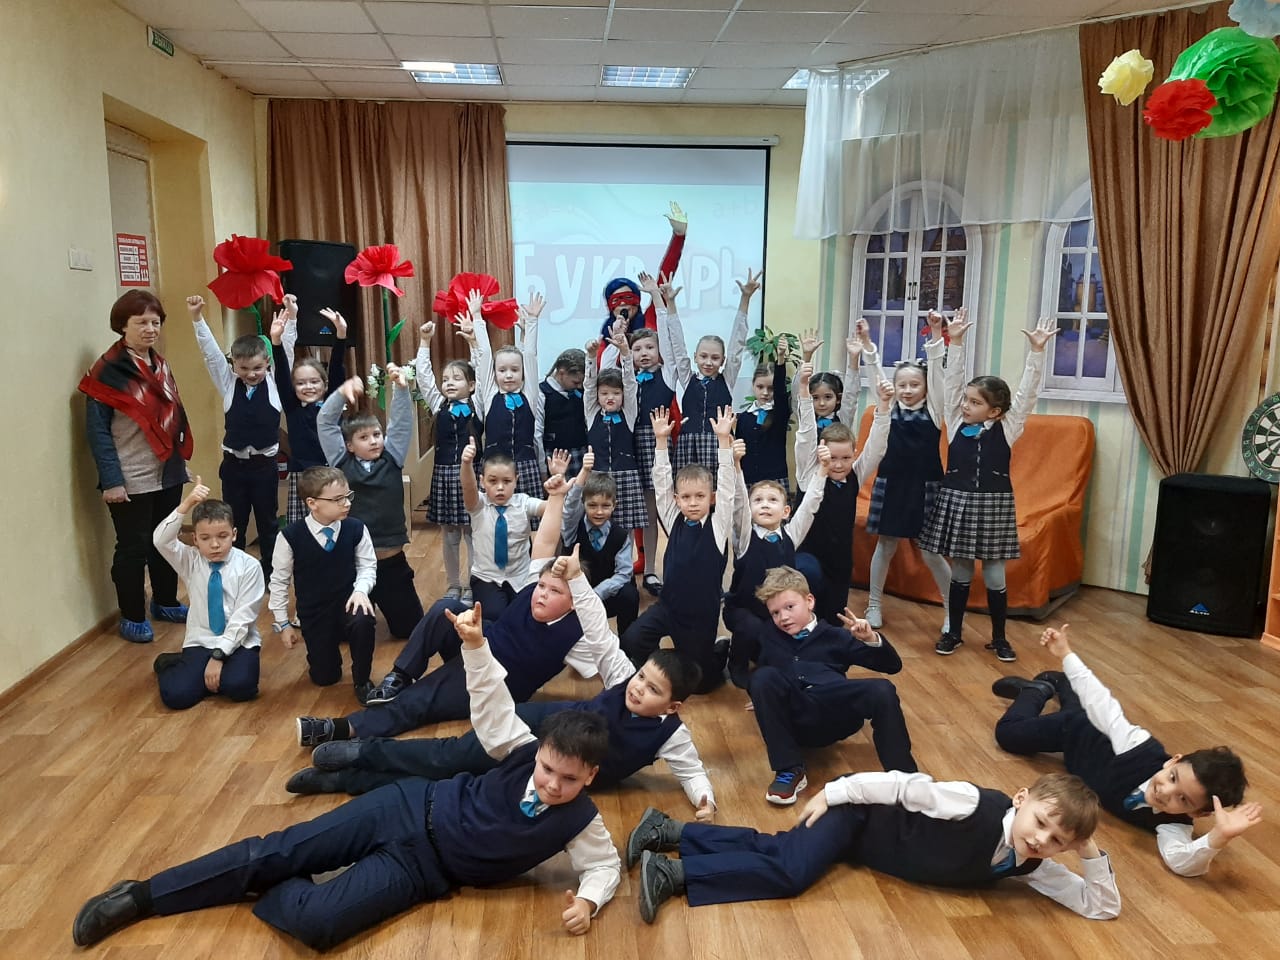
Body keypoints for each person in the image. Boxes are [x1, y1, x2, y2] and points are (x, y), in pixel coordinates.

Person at [71, 603, 621, 951]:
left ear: (590, 777)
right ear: (540, 752)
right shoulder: (519, 748)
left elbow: (603, 865)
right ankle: (142, 896)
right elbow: (493, 702)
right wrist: (475, 647)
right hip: (407, 806)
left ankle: (264, 875)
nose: (552, 784)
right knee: (277, 849)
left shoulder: (580, 821)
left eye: (568, 780)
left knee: (318, 923)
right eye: (548, 769)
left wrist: (589, 902)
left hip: (422, 870)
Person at [299, 474, 634, 742]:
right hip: (481, 640)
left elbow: (617, 673)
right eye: (542, 586)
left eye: (555, 591)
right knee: (444, 608)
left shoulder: (580, 636)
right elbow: (546, 540)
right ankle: (400, 675)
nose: (541, 594)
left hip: (494, 680)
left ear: (575, 601)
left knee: (423, 699)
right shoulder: (535, 584)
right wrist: (558, 496)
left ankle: (342, 729)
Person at [627, 770, 1121, 925]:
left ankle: (670, 832)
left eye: (1058, 841)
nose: (1041, 839)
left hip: (864, 846)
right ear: (1021, 799)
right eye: (1041, 823)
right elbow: (904, 786)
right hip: (857, 813)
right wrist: (834, 792)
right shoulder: (975, 803)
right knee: (791, 872)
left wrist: (1088, 849)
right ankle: (674, 875)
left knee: (780, 849)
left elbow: (1100, 906)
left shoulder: (1030, 865)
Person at [286, 648, 716, 822]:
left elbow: (691, 770)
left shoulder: (671, 735)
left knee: (455, 785)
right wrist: (574, 578)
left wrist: (704, 798)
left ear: (673, 706)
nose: (639, 689)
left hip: (554, 772)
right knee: (449, 756)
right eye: (642, 677)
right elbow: (598, 628)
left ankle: (346, 780)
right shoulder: (622, 676)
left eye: (653, 690)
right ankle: (364, 751)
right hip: (534, 728)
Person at [993, 623, 1261, 877]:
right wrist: (1066, 653)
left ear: (1198, 814)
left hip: (1082, 753)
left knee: (1078, 704)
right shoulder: (1140, 747)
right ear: (1173, 761)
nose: (1166, 791)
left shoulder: (1174, 824)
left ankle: (1058, 683)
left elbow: (1179, 861)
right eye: (1173, 777)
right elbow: (1101, 704)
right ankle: (1036, 691)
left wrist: (1218, 838)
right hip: (1076, 730)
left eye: (1183, 800)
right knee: (1009, 734)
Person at [917, 313, 1057, 661]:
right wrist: (956, 342)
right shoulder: (954, 420)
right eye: (966, 400)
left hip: (994, 505)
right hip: (957, 501)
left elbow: (1026, 394)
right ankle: (954, 632)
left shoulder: (1008, 428)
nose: (965, 405)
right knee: (961, 570)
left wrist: (1037, 352)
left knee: (994, 574)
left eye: (975, 402)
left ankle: (999, 638)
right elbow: (952, 383)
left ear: (995, 412)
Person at [734, 566, 917, 805]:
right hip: (796, 717)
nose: (783, 617)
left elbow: (892, 666)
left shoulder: (836, 636)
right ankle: (789, 770)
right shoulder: (769, 635)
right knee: (762, 676)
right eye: (775, 613)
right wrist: (764, 696)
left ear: (809, 601)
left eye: (789, 607)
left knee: (882, 689)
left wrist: (871, 639)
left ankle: (905, 777)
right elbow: (765, 673)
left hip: (834, 711)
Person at [79, 290, 193, 643]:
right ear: (122, 326)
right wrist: (112, 481)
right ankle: (132, 615)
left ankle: (165, 601)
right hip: (130, 477)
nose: (150, 329)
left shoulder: (161, 365)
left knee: (166, 540)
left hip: (167, 471)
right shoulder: (106, 373)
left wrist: (179, 463)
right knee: (133, 547)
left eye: (155, 322)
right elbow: (98, 433)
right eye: (141, 322)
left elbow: (173, 417)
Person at [621, 405, 736, 693]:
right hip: (669, 607)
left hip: (700, 616)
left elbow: (727, 487)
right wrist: (661, 441)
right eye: (686, 497)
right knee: (632, 640)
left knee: (702, 684)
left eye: (700, 496)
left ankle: (720, 649)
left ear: (711, 498)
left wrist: (724, 442)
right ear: (677, 499)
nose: (693, 502)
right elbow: (661, 484)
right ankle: (664, 666)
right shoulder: (674, 520)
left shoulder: (718, 525)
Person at [859, 312, 950, 632]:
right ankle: (873, 605)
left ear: (925, 387)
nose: (908, 390)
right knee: (885, 545)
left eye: (915, 384)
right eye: (902, 385)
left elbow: (937, 371)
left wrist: (936, 335)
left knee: (931, 552)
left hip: (926, 486)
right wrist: (867, 343)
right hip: (892, 484)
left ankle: (952, 610)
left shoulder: (935, 410)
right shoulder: (887, 407)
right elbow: (875, 374)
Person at [318, 367, 423, 640]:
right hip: (353, 564)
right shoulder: (340, 462)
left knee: (410, 630)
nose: (374, 441)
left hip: (391, 564)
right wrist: (341, 394)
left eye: (377, 434)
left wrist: (401, 389)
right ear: (349, 446)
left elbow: (401, 423)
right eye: (364, 438)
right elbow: (325, 423)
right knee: (346, 633)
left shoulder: (392, 457)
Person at [188, 294, 282, 581]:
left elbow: (286, 353)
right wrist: (197, 318)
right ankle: (234, 574)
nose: (251, 374)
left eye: (257, 368)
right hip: (234, 468)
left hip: (264, 468)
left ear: (267, 363)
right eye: (244, 369)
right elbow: (211, 355)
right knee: (234, 521)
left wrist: (284, 328)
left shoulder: (275, 384)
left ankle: (270, 574)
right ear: (233, 366)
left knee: (267, 523)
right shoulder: (229, 384)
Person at [721, 433, 827, 685]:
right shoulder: (745, 537)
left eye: (772, 500)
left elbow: (810, 504)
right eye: (758, 501)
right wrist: (736, 465)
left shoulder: (791, 535)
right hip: (742, 611)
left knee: (781, 647)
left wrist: (823, 470)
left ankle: (762, 652)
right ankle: (736, 662)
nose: (765, 505)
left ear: (786, 511)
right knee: (751, 628)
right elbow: (739, 504)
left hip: (775, 614)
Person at [269, 466, 377, 704]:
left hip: (348, 603)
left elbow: (368, 566)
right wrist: (283, 623)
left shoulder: (356, 528)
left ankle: (362, 679)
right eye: (338, 499)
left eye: (348, 496)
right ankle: (324, 655)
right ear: (312, 503)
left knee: (363, 620)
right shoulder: (290, 536)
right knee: (325, 677)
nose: (346, 503)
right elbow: (279, 581)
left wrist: (361, 591)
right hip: (315, 612)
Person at [151, 480, 264, 709]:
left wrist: (219, 656)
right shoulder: (190, 560)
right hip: (201, 640)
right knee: (176, 696)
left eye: (222, 536)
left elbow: (243, 618)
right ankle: (175, 665)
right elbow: (160, 540)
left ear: (234, 534)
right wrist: (187, 503)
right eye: (205, 538)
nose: (214, 545)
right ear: (194, 539)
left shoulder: (249, 566)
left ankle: (199, 672)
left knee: (240, 687)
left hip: (239, 641)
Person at [792, 380, 894, 626]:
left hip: (840, 559)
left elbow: (877, 447)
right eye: (833, 458)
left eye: (846, 458)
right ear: (821, 454)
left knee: (834, 618)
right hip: (807, 555)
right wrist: (804, 392)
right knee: (807, 605)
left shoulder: (855, 475)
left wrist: (883, 405)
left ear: (854, 455)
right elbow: (805, 436)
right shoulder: (810, 475)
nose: (838, 465)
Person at [414, 315, 482, 601]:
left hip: (472, 476)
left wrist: (474, 343)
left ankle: (473, 584)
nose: (449, 383)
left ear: (472, 385)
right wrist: (424, 342)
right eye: (446, 379)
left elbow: (483, 371)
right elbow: (424, 377)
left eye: (457, 378)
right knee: (450, 534)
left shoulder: (479, 404)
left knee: (473, 534)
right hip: (444, 476)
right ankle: (454, 584)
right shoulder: (439, 404)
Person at [458, 439, 560, 620]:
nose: (500, 487)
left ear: (516, 481)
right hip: (486, 577)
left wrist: (557, 487)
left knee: (525, 616)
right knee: (494, 615)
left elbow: (551, 509)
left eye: (507, 481)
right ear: (482, 481)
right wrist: (466, 464)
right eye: (492, 481)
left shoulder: (523, 502)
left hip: (520, 577)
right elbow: (468, 487)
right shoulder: (478, 505)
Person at [668, 270, 756, 473]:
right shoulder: (688, 378)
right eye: (703, 356)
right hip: (688, 444)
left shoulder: (727, 379)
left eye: (715, 358)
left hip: (718, 443)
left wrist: (745, 299)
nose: (708, 362)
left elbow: (737, 344)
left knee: (719, 488)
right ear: (695, 357)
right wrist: (670, 304)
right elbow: (678, 346)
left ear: (723, 360)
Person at [271, 296, 349, 524]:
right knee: (302, 529)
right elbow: (282, 376)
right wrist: (276, 342)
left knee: (334, 524)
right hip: (302, 475)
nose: (308, 387)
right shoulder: (293, 406)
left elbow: (337, 369)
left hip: (331, 472)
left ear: (325, 385)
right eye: (301, 383)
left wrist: (341, 334)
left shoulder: (332, 405)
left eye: (314, 382)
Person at [632, 273, 684, 595]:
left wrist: (657, 299)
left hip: (658, 446)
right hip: (631, 447)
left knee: (659, 511)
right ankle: (635, 568)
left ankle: (657, 570)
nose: (644, 352)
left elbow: (670, 341)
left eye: (650, 347)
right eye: (638, 348)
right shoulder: (626, 378)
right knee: (635, 516)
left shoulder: (666, 375)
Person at [471, 291, 546, 497]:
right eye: (502, 370)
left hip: (525, 466)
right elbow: (485, 354)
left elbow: (530, 355)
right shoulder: (490, 394)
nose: (509, 375)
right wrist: (477, 316)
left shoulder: (529, 394)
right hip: (494, 468)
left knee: (529, 515)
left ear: (523, 373)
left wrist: (533, 321)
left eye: (515, 370)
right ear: (494, 373)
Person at [561, 454, 641, 635]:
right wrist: (584, 471)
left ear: (614, 505)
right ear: (584, 504)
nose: (599, 511)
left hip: (605, 595)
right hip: (576, 597)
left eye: (605, 506)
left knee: (630, 594)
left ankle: (627, 643)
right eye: (592, 505)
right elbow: (570, 508)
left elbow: (623, 574)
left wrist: (597, 593)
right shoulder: (572, 529)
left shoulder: (621, 536)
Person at [581, 319, 646, 531]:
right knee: (597, 525)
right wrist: (591, 357)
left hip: (626, 476)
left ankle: (625, 555)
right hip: (597, 476)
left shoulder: (628, 413)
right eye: (605, 393)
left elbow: (630, 383)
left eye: (616, 393)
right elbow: (589, 386)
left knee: (625, 529)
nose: (610, 398)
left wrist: (626, 353)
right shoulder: (592, 413)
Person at [735, 344, 793, 493]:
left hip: (775, 480)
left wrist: (780, 358)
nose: (765, 393)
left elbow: (781, 392)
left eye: (771, 388)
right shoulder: (744, 417)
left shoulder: (780, 413)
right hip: (748, 480)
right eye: (760, 387)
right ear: (753, 385)